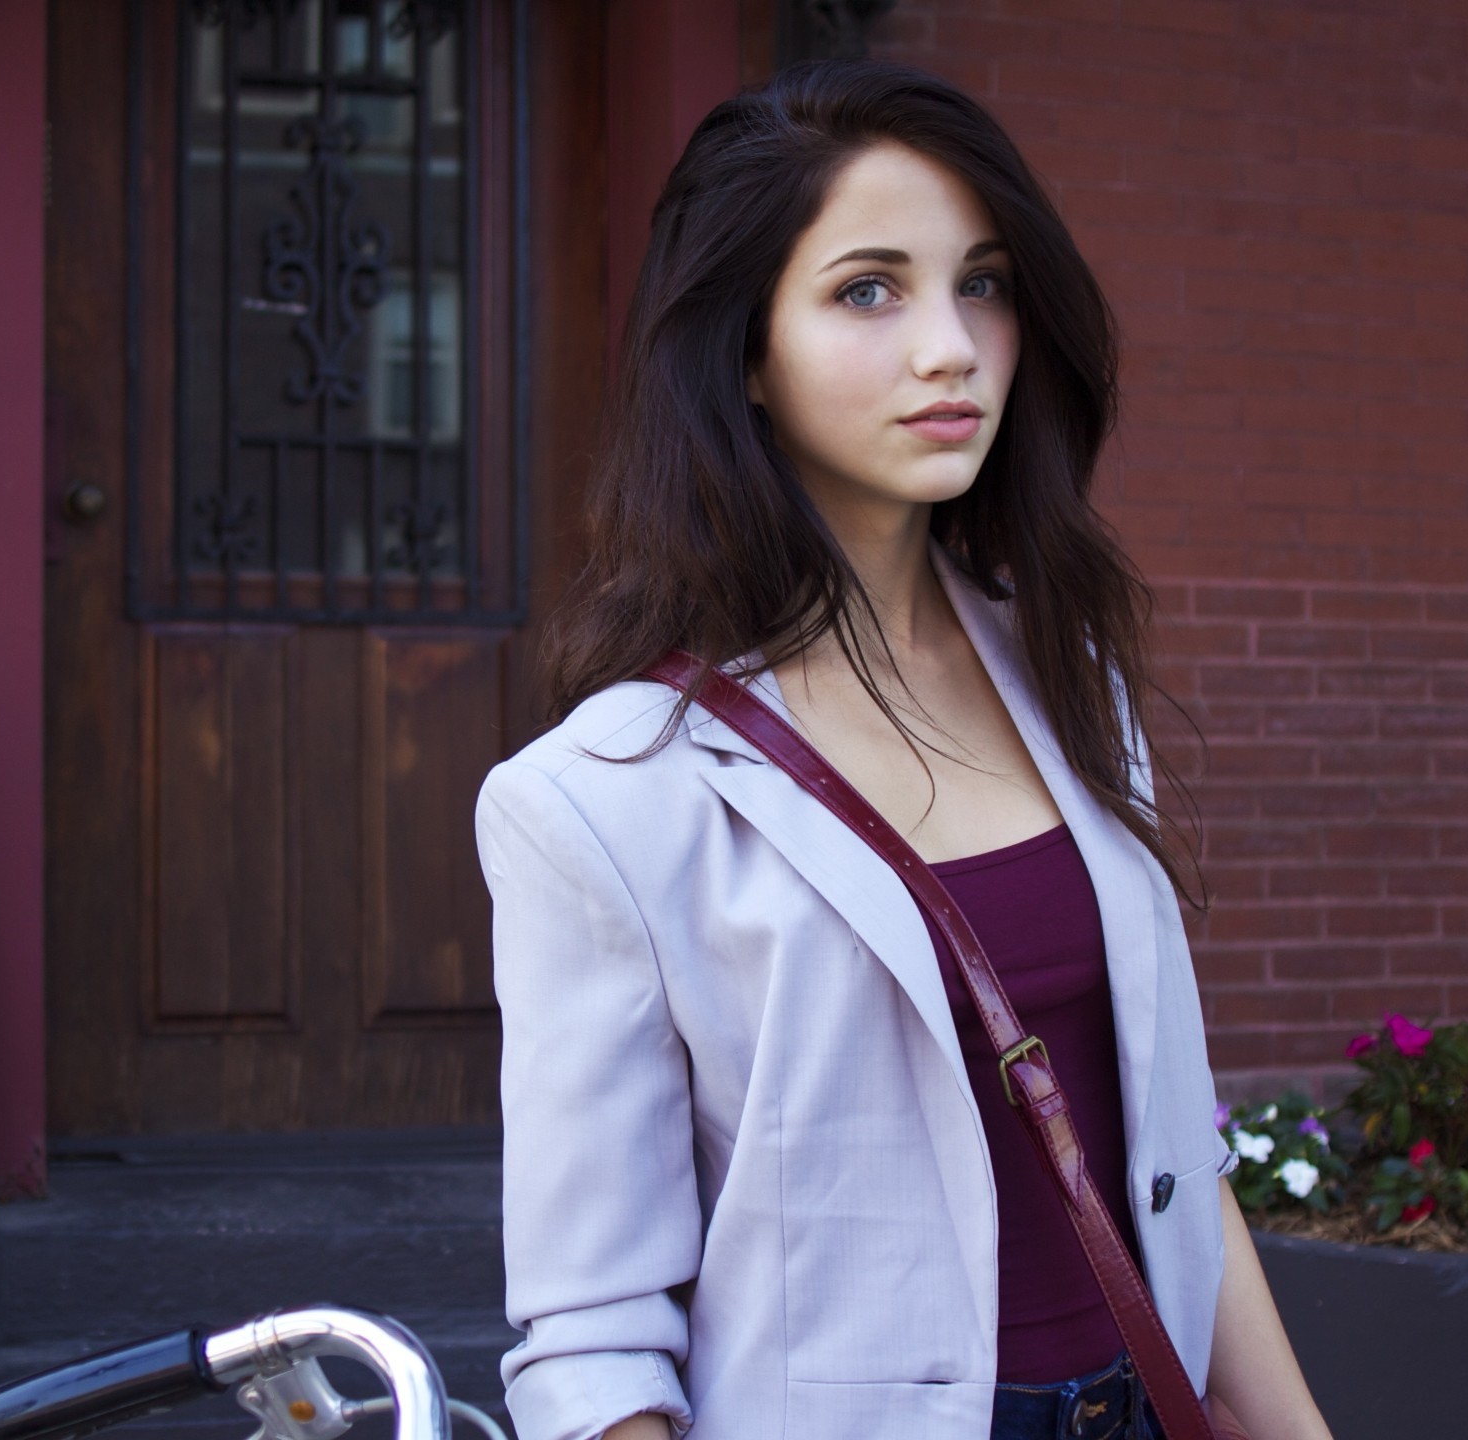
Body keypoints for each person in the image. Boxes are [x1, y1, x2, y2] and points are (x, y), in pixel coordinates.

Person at [475, 61, 1334, 1440]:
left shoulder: (1072, 685)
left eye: (981, 284)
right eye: (868, 289)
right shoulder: (602, 801)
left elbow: (1174, 1157)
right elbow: (595, 1335)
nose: (950, 348)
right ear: (745, 353)